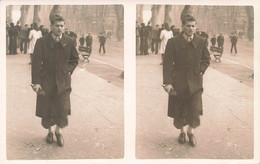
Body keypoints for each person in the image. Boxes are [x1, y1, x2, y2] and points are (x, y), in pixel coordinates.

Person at [163, 15, 210, 147]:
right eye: (188, 26)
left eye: (193, 26)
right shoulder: (173, 42)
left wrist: (200, 70)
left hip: (195, 82)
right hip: (178, 81)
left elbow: (206, 59)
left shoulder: (201, 41)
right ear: (183, 27)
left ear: (196, 27)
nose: (191, 28)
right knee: (179, 109)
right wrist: (168, 82)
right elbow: (167, 64)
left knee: (194, 108)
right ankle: (182, 132)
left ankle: (191, 131)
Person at [31, 15, 79, 147]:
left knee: (62, 108)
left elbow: (75, 59)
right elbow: (36, 63)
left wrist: (68, 70)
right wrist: (36, 82)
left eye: (62, 25)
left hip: (63, 82)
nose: (60, 28)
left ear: (65, 26)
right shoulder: (42, 42)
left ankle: (58, 131)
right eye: (57, 26)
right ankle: (50, 131)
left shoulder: (69, 41)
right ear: (51, 26)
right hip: (46, 80)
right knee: (47, 108)